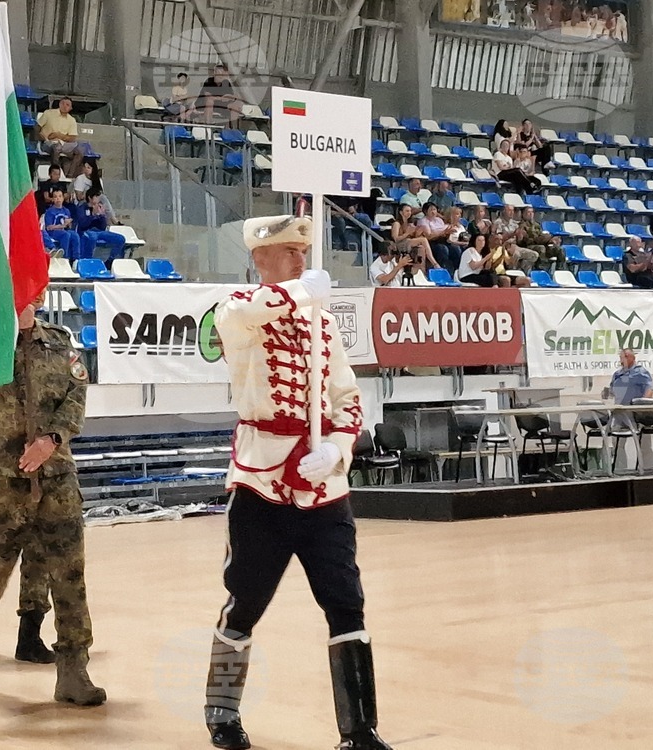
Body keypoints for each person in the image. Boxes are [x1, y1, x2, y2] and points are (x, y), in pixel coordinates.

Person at [204, 214, 393, 750]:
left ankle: (360, 730)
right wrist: (300, 292)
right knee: (245, 601)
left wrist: (337, 447)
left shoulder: (323, 324)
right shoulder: (236, 310)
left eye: (303, 252)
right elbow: (254, 310)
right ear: (261, 259)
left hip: (324, 487)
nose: (301, 260)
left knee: (346, 602)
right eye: (290, 251)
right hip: (261, 482)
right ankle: (222, 711)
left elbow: (346, 397)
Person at [0, 291, 105, 708]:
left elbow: (75, 394)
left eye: (31, 290)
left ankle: (73, 670)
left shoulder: (59, 342)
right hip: (0, 482)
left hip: (56, 476)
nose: (25, 298)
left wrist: (52, 439)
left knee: (69, 575)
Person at [36, 97, 89, 178]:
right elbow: (37, 127)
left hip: (63, 143)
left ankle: (70, 175)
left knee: (80, 150)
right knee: (57, 147)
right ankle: (56, 174)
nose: (64, 106)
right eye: (63, 103)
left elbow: (72, 138)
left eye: (67, 105)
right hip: (48, 142)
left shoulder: (71, 120)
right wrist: (41, 137)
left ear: (70, 108)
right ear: (59, 104)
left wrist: (59, 135)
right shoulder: (48, 113)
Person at [74, 190, 126, 264]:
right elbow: (83, 225)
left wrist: (101, 216)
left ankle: (110, 261)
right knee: (92, 237)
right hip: (86, 231)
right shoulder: (82, 208)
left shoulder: (99, 207)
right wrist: (93, 215)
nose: (99, 199)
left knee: (120, 239)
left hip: (99, 232)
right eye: (96, 196)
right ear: (90, 198)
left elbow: (102, 227)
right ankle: (87, 261)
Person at [389, 204, 437, 271]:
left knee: (422, 248)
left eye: (410, 211)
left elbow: (413, 236)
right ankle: (434, 263)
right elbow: (396, 239)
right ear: (401, 212)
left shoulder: (409, 223)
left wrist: (419, 231)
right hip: (400, 244)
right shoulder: (397, 223)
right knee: (423, 240)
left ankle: (422, 270)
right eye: (407, 211)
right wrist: (407, 233)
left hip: (408, 242)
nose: (409, 213)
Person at [417, 202, 461, 274]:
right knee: (443, 249)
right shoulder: (423, 221)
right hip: (431, 243)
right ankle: (443, 271)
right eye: (431, 210)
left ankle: (456, 271)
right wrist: (443, 232)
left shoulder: (439, 220)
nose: (433, 212)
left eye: (434, 209)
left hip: (443, 240)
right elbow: (429, 236)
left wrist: (448, 232)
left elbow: (444, 232)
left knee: (456, 249)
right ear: (425, 211)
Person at [196, 63, 243, 128]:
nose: (221, 76)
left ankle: (233, 128)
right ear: (215, 73)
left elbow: (231, 96)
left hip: (220, 105)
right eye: (219, 73)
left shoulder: (226, 83)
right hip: (204, 104)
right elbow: (208, 97)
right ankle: (208, 125)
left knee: (235, 106)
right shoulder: (209, 81)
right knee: (209, 101)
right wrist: (221, 98)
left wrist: (230, 97)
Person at [42, 189, 81, 260]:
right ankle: (64, 257)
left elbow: (69, 226)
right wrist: (61, 226)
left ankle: (76, 259)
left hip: (64, 230)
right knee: (66, 234)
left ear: (63, 198)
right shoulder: (50, 211)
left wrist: (69, 223)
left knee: (75, 235)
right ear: (53, 199)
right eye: (55, 197)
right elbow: (48, 227)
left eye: (60, 196)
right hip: (53, 232)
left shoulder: (66, 210)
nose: (58, 199)